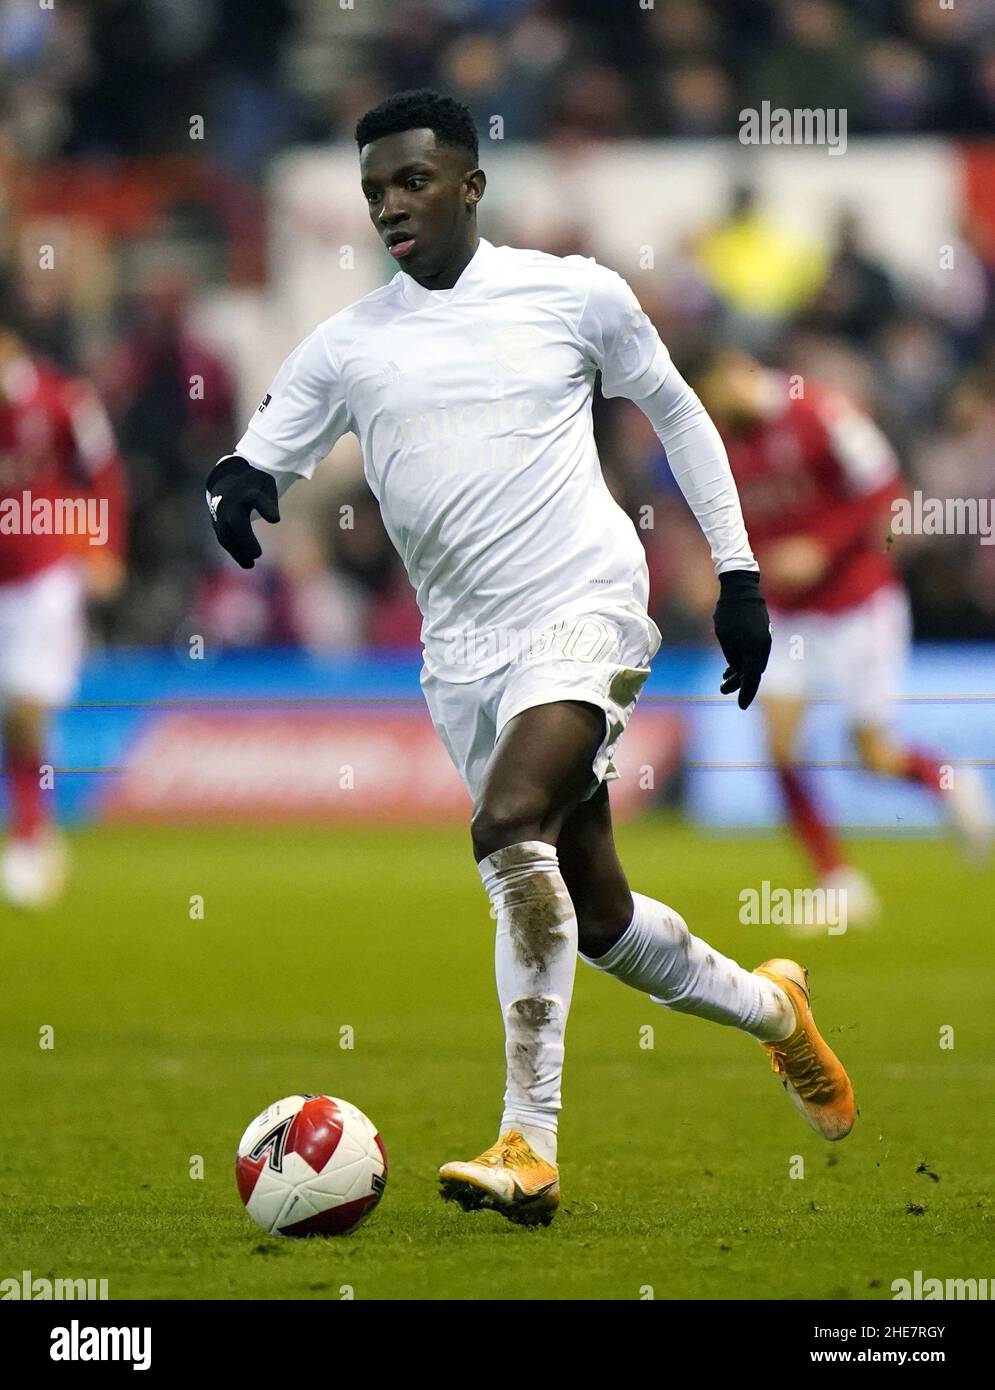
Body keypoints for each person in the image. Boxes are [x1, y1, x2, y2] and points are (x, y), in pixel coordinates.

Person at [205, 90, 855, 1227]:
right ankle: (774, 1013)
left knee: (508, 826)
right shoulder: (349, 343)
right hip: (461, 658)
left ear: (468, 184)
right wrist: (241, 483)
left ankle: (529, 1144)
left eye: (410, 182)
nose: (389, 207)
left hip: (584, 606)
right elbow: (259, 453)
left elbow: (680, 412)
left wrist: (740, 574)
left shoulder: (572, 294)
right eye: (371, 192)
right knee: (592, 915)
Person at [693, 346, 993, 922]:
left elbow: (890, 495)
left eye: (711, 395)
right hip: (787, 612)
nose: (709, 410)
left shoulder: (820, 411)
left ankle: (949, 783)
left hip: (860, 601)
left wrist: (821, 549)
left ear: (735, 369)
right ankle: (839, 883)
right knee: (778, 743)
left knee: (874, 755)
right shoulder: (716, 441)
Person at [0, 283, 126, 908]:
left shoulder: (60, 396)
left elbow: (102, 469)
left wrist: (104, 546)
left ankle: (30, 834)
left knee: (25, 712)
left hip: (42, 575)